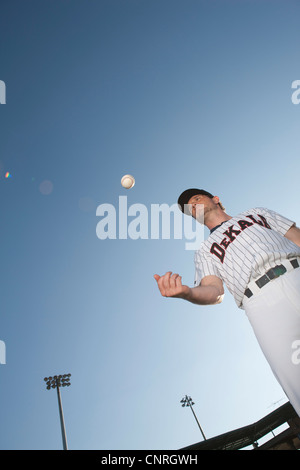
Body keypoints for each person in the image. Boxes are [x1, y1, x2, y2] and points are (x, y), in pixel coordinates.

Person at [154, 188, 300, 417]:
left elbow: (296, 238)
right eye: (189, 208)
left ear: (216, 199)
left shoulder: (256, 213)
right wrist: (188, 293)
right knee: (296, 379)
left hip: (296, 270)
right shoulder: (204, 251)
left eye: (196, 199)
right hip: (261, 303)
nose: (193, 206)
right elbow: (214, 290)